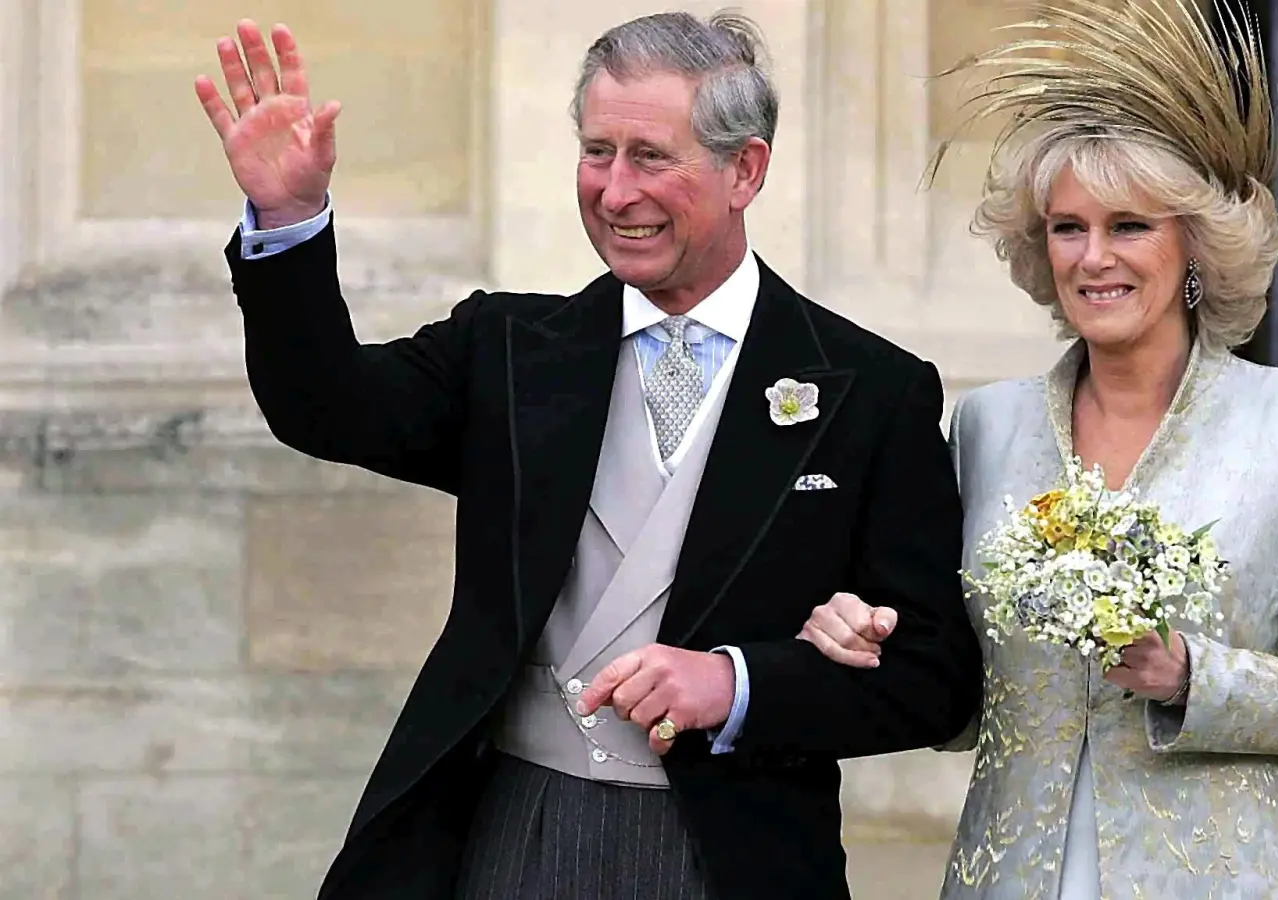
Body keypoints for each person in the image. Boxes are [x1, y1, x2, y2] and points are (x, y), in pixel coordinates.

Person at [193, 12, 982, 900]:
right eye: (596, 151)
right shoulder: (509, 349)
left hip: (732, 855)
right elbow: (323, 409)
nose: (614, 191)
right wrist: (291, 222)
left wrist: (740, 683)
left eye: (650, 157)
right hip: (512, 834)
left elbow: (936, 681)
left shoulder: (871, 391)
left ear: (744, 170)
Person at [798, 2, 1278, 897]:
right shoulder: (986, 427)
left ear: (1194, 245)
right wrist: (868, 637)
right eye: (1067, 227)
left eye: (1129, 226)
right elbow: (958, 696)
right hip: (1011, 871)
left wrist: (1190, 673)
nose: (1092, 257)